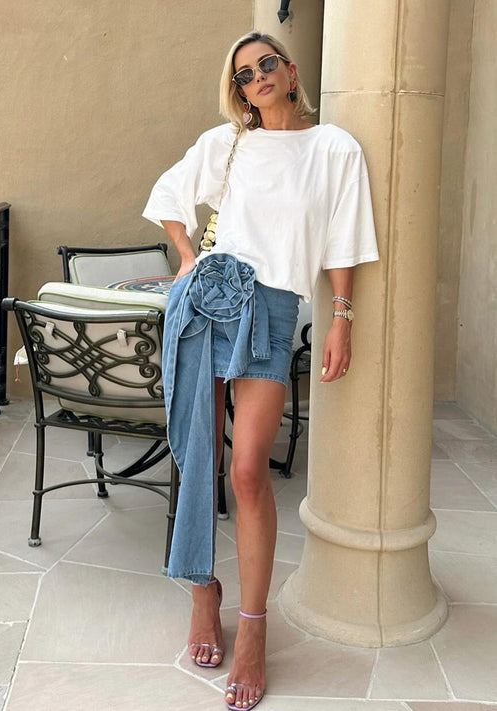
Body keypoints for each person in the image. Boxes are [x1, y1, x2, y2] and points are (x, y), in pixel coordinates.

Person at [142, 30, 379, 711]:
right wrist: (187, 257)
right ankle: (202, 590)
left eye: (266, 64)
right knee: (198, 456)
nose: (257, 78)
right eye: (244, 74)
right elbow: (167, 195)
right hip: (206, 300)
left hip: (272, 310)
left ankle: (252, 626)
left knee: (247, 468)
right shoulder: (229, 143)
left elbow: (342, 239)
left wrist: (341, 315)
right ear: (239, 91)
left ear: (291, 70)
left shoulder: (333, 148)